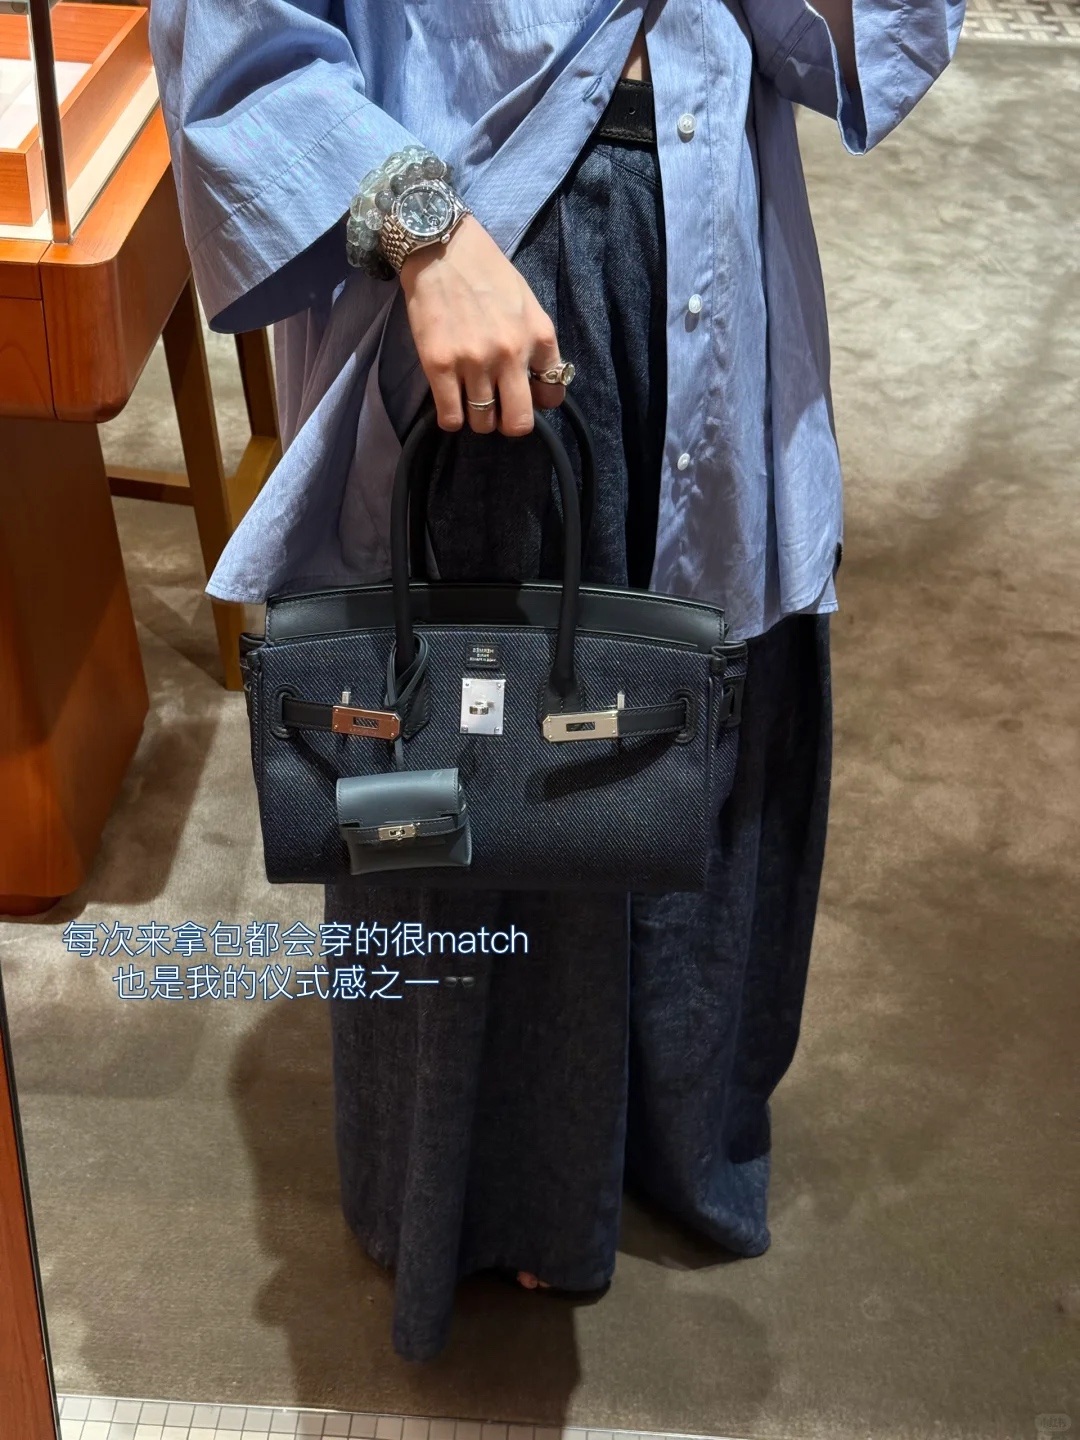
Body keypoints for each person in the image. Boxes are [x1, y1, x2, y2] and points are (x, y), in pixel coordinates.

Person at [149, 0, 965, 1361]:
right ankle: (485, 1200)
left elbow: (860, 37)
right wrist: (423, 234)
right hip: (479, 270)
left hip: (713, 228)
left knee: (698, 713)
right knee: (469, 760)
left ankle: (661, 1131)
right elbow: (233, 38)